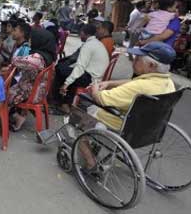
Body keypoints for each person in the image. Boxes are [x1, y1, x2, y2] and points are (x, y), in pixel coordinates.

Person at [58, 42, 176, 172]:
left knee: (75, 116)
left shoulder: (139, 87)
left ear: (152, 65)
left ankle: (91, 162)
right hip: (147, 130)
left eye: (137, 59)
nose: (133, 61)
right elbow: (135, 83)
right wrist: (110, 83)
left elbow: (102, 99)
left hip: (118, 127)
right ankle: (93, 147)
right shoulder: (167, 83)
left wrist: (95, 88)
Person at [52, 24, 109, 114]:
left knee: (61, 71)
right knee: (65, 70)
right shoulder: (96, 43)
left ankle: (60, 102)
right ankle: (64, 101)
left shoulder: (89, 45)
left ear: (85, 34)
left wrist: (66, 84)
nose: (79, 35)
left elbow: (80, 67)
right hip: (94, 75)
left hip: (91, 78)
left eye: (81, 33)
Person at [9, 28, 57, 131]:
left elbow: (18, 61)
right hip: (41, 91)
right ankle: (18, 115)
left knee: (2, 94)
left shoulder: (37, 58)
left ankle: (16, 116)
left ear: (39, 40)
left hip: (31, 93)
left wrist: (13, 59)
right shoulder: (49, 56)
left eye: (31, 39)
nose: (30, 41)